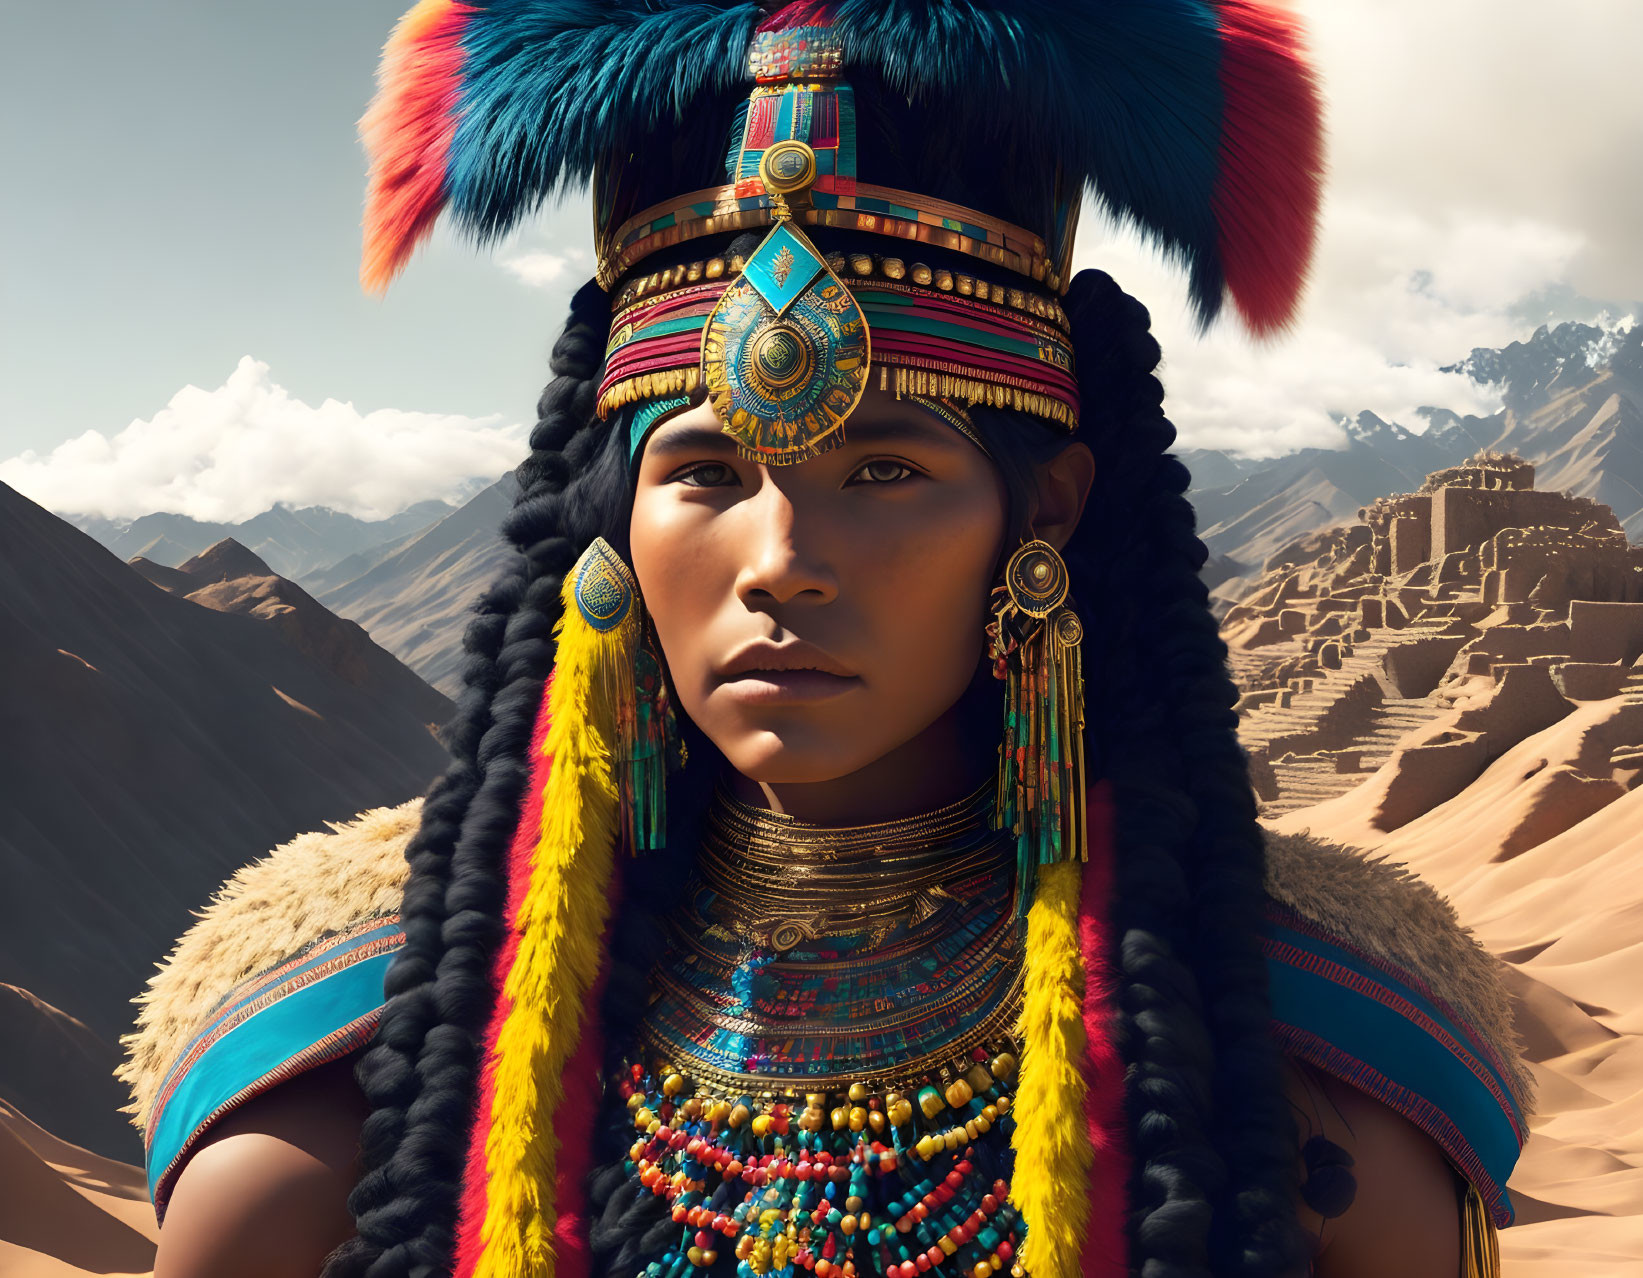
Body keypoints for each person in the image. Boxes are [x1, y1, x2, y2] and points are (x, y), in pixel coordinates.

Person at [122, 4, 1531, 1277]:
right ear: (606, 520)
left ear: (1044, 509)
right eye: (708, 474)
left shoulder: (1314, 1100)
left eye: (888, 471)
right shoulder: (336, 1096)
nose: (782, 563)